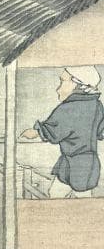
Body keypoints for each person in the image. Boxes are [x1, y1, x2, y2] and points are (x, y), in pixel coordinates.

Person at [21, 66, 104, 198]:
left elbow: (52, 131)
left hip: (77, 166)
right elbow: (101, 132)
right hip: (86, 164)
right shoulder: (97, 106)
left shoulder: (67, 108)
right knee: (74, 197)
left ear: (77, 84)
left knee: (66, 197)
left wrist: (34, 132)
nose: (58, 89)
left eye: (62, 81)